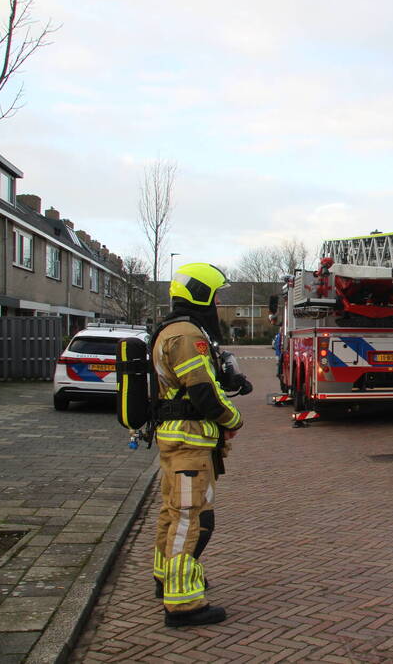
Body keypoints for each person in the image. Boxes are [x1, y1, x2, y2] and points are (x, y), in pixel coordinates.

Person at [151, 263, 243, 627]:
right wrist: (234, 420)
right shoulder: (188, 335)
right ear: (202, 294)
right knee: (193, 519)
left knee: (172, 513)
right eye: (216, 295)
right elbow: (202, 392)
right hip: (190, 441)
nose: (218, 302)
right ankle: (183, 604)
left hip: (176, 438)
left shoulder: (170, 330)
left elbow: (202, 383)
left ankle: (167, 577)